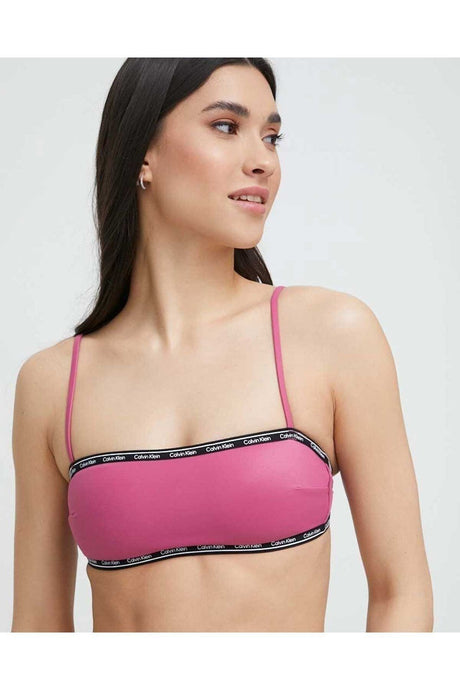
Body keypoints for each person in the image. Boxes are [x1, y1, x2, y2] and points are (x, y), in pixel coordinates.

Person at [11, 58, 433, 632]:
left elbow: (402, 594)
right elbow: (38, 629)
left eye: (271, 136)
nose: (263, 160)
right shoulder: (52, 384)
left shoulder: (332, 336)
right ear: (143, 154)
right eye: (226, 126)